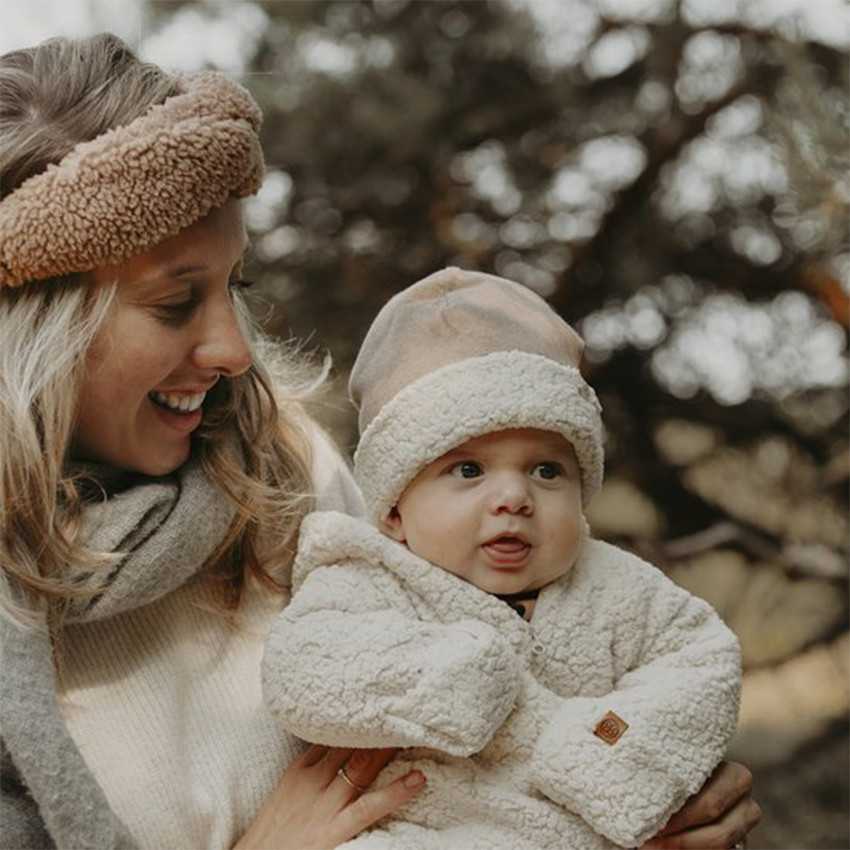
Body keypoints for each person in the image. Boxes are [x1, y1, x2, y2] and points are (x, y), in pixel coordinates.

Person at [0, 32, 760, 850]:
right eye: (176, 302)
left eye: (235, 284)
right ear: (32, 332)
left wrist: (656, 797)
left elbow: (524, 711)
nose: (234, 350)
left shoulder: (283, 473)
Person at [263, 268, 745, 849]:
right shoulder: (367, 576)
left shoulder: (617, 588)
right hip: (419, 830)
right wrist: (457, 675)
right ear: (393, 511)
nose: (515, 497)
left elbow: (701, 664)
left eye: (547, 470)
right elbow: (303, 669)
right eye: (468, 470)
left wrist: (606, 743)